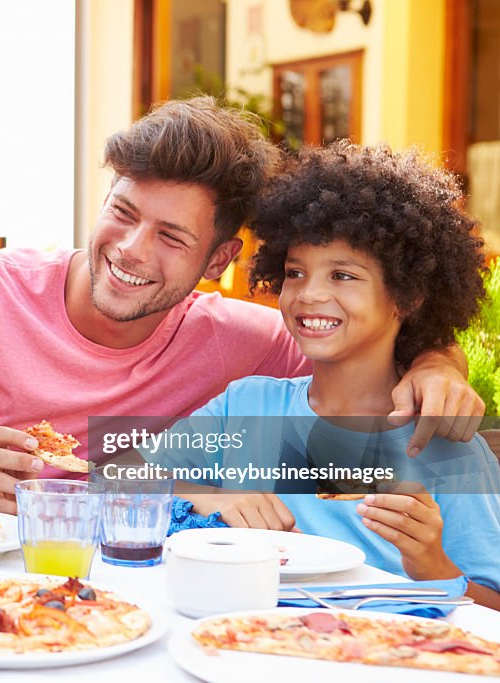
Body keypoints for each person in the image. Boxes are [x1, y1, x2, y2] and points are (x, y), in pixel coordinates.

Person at [0, 97, 485, 515]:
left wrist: (438, 362)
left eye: (172, 237)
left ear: (219, 260)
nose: (132, 248)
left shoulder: (251, 343)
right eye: (123, 211)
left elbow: (369, 348)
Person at [164, 142, 500, 609]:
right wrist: (209, 496)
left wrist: (431, 564)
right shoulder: (246, 406)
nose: (310, 294)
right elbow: (128, 479)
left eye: (343, 275)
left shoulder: (447, 443)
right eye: (296, 272)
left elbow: (491, 606)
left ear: (408, 296)